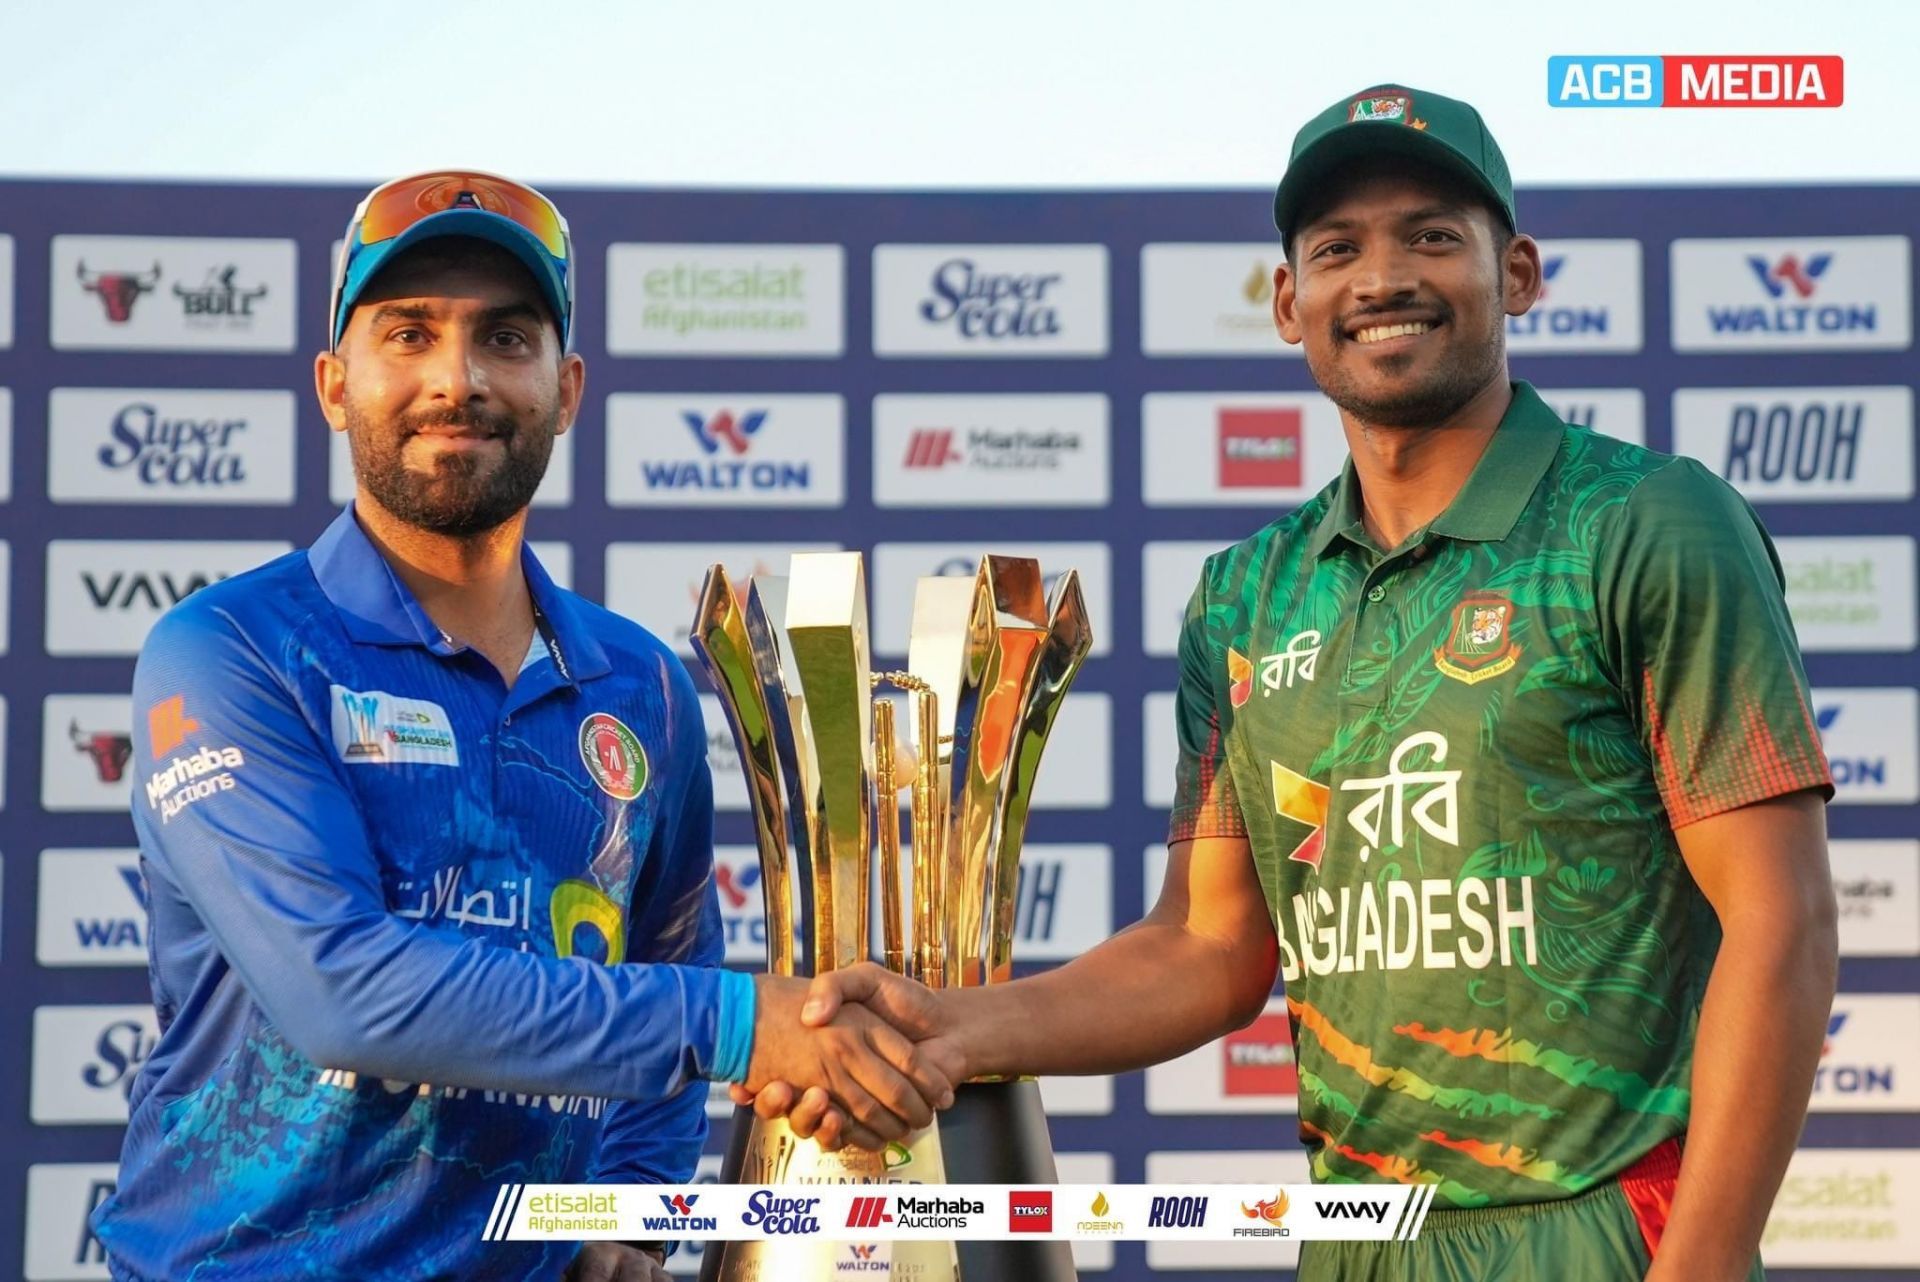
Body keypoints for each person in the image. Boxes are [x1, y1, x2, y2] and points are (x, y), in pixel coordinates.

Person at [741, 87, 1839, 1281]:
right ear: (1288, 302)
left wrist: (1706, 1260)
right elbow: (1208, 946)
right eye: (1336, 250)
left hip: (1604, 1231)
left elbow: (1779, 918)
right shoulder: (1247, 595)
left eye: (1432, 236)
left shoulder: (1650, 521)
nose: (1382, 279)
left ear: (1516, 273)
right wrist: (948, 1027)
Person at [94, 170, 955, 1282]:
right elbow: (343, 990)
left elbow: (665, 957)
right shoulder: (230, 650)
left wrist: (637, 1216)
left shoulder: (639, 686)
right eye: (409, 333)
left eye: (506, 337)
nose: (457, 380)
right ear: (333, 382)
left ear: (568, 385)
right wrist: (745, 1024)